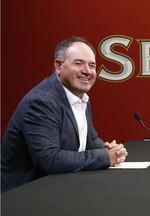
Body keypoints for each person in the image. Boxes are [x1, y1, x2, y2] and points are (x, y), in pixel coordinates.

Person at [1, 36, 128, 192]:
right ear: (58, 66)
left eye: (92, 65)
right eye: (78, 63)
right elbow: (49, 160)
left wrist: (109, 149)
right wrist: (104, 157)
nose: (87, 71)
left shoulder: (80, 97)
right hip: (24, 195)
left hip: (59, 188)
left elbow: (90, 140)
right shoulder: (42, 102)